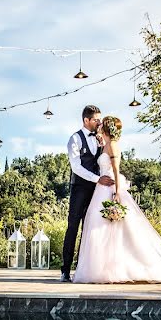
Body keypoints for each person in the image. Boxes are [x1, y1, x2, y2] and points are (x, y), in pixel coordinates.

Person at [72, 115, 161, 284]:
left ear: (106, 127)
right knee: (100, 229)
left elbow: (116, 170)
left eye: (102, 123)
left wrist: (118, 192)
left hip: (110, 188)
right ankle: (103, 268)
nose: (99, 124)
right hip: (101, 189)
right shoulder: (105, 144)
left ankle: (120, 268)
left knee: (115, 229)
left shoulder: (113, 145)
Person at [61, 105, 115, 283]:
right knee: (73, 227)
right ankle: (65, 270)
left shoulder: (100, 140)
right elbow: (76, 167)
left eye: (99, 119)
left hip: (97, 191)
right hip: (79, 189)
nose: (99, 122)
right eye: (96, 120)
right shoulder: (74, 139)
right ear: (86, 120)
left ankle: (84, 270)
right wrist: (96, 179)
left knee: (90, 230)